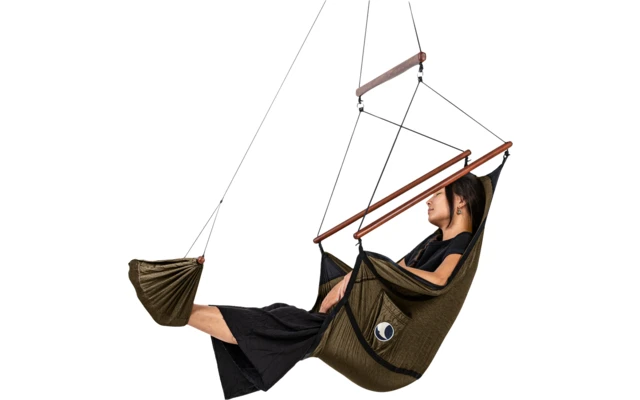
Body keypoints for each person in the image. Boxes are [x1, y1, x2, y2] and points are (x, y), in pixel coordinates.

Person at [187, 173, 485, 399]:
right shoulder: (433, 242)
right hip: (373, 324)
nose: (428, 200)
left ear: (460, 200)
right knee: (284, 318)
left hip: (388, 346)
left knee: (287, 323)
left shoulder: (459, 244)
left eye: (436, 193)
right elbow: (387, 274)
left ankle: (184, 312)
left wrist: (361, 274)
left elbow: (440, 279)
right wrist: (350, 280)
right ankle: (187, 312)